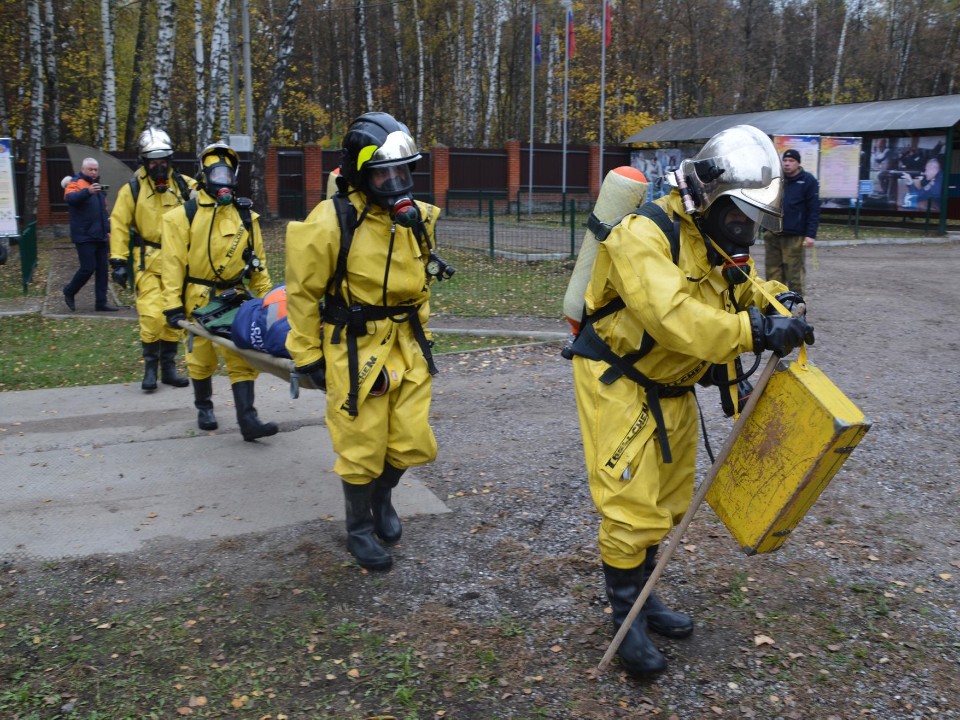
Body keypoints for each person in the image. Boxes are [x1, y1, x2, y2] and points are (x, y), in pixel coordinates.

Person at [567, 125, 814, 677]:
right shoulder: (642, 235)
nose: (745, 231)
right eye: (737, 217)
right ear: (707, 197)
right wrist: (755, 332)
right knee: (631, 507)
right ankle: (624, 619)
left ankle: (645, 596)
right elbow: (673, 316)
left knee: (670, 502)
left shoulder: (717, 242)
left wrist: (780, 308)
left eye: (752, 220)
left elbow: (742, 292)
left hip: (672, 386)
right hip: (620, 380)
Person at [284, 112, 446, 572]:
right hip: (354, 347)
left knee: (414, 439)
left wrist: (423, 333)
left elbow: (421, 286)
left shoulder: (416, 220)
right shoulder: (331, 223)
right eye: (383, 173)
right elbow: (302, 294)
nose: (395, 182)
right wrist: (308, 355)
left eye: (402, 170)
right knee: (361, 444)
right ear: (360, 173)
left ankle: (383, 501)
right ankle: (358, 529)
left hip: (406, 343)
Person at [160, 141, 279, 442]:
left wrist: (267, 300)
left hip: (236, 296)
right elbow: (172, 265)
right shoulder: (181, 217)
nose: (222, 181)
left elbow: (258, 263)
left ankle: (248, 420)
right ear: (204, 175)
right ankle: (204, 407)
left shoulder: (246, 218)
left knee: (241, 354)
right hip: (198, 298)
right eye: (217, 174)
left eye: (227, 175)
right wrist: (172, 305)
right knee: (201, 358)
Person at [110, 128, 195, 392]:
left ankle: (168, 369)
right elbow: (120, 224)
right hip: (147, 260)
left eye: (163, 160)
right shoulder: (132, 190)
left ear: (170, 160)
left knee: (173, 316)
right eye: (153, 161)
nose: (159, 166)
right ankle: (150, 368)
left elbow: (207, 202)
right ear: (144, 162)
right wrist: (118, 261)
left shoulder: (184, 186)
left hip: (178, 261)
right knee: (150, 315)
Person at [63, 158, 117, 312]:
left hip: (100, 235)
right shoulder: (75, 182)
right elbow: (70, 198)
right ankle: (69, 291)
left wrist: (107, 229)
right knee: (88, 268)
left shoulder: (98, 188)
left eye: (95, 170)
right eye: (90, 169)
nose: (93, 172)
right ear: (83, 169)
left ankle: (101, 302)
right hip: (84, 235)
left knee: (102, 270)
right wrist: (87, 192)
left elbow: (102, 212)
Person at [764, 148, 819, 297]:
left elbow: (813, 209)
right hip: (773, 233)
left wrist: (810, 234)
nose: (787, 164)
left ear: (798, 163)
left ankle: (796, 307)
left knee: (794, 274)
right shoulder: (776, 179)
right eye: (785, 161)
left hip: (795, 236)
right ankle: (775, 306)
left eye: (791, 161)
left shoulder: (808, 181)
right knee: (772, 273)